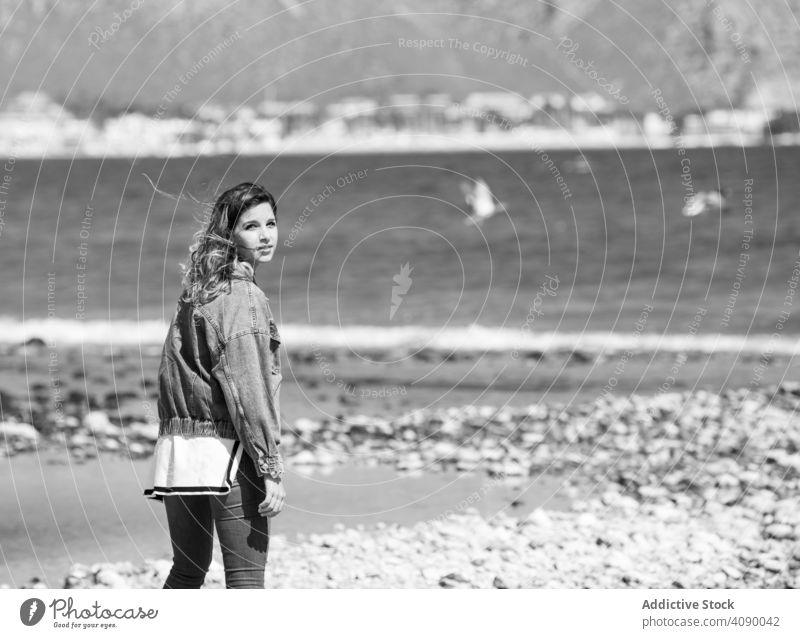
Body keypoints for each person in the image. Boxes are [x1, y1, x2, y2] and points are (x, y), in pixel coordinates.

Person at [143, 182, 285, 589]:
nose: (265, 235)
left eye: (271, 223)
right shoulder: (244, 297)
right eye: (251, 226)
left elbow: (171, 372)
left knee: (187, 572)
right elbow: (247, 389)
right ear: (229, 235)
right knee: (245, 581)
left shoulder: (196, 293)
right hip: (230, 453)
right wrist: (269, 464)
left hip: (178, 449)